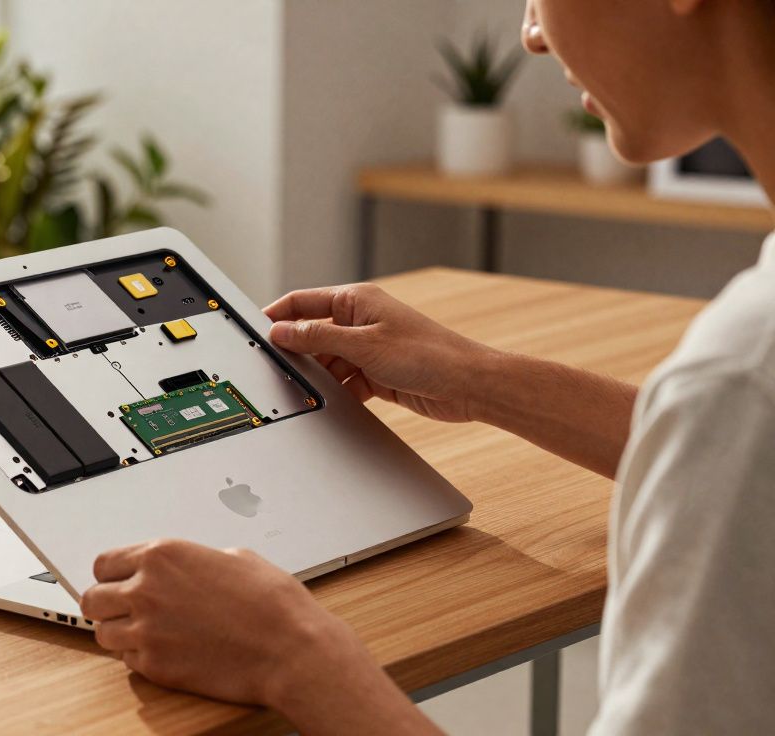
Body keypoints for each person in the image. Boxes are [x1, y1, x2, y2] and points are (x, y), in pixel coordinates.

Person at [80, 0, 775, 733]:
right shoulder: (740, 391)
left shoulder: (740, 378)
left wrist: (291, 655)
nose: (532, 34)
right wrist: (477, 377)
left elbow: (739, 422)